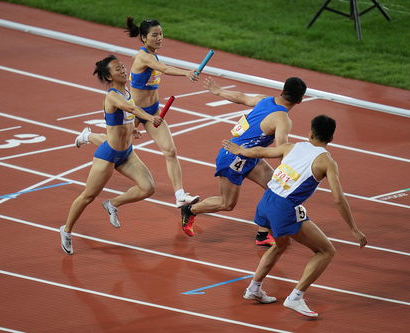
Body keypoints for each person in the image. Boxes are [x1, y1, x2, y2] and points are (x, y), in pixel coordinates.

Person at [222, 115, 367, 317]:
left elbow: (262, 151)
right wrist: (353, 228)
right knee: (326, 251)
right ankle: (295, 297)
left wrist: (241, 151)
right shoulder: (327, 162)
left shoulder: (293, 146)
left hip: (266, 200)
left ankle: (254, 289)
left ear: (310, 133)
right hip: (284, 207)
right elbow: (338, 199)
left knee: (280, 245)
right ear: (331, 138)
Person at [76, 17, 200, 208]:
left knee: (170, 150)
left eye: (161, 34)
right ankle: (88, 135)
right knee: (115, 144)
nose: (160, 38)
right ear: (143, 38)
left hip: (152, 111)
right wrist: (186, 73)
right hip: (133, 113)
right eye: (154, 35)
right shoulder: (144, 57)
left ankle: (180, 195)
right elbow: (164, 69)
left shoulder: (153, 54)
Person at [180, 76, 307, 247]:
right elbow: (280, 150)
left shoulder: (265, 100)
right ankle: (190, 209)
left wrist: (219, 91)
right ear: (300, 100)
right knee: (227, 204)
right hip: (233, 156)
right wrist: (292, 168)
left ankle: (262, 234)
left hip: (250, 156)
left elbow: (240, 97)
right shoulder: (283, 120)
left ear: (283, 90)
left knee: (275, 189)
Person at [60, 55, 163, 255]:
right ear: (109, 76)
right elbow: (131, 108)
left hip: (127, 152)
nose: (124, 70)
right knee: (88, 196)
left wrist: (132, 129)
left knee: (148, 188)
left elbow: (128, 116)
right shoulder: (113, 95)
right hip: (108, 155)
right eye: (118, 69)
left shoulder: (126, 91)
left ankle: (113, 203)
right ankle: (66, 229)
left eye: (123, 67)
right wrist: (151, 118)